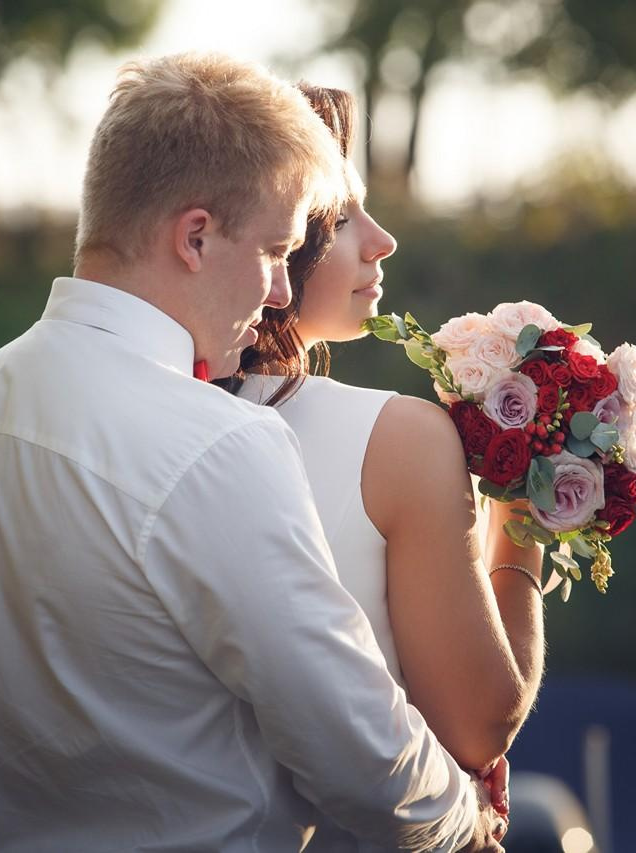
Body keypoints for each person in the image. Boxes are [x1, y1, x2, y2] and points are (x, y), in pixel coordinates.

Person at [0, 53, 506, 851]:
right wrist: (465, 822)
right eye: (278, 251)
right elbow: (354, 748)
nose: (283, 293)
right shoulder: (222, 445)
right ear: (195, 236)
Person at [227, 85, 547, 848]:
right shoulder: (399, 437)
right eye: (340, 218)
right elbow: (477, 727)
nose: (383, 241)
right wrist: (525, 517)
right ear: (272, 238)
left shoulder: (155, 418)